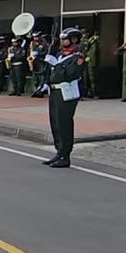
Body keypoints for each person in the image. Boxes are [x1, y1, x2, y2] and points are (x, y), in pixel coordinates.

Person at [44, 28, 85, 169]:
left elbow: (70, 74)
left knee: (64, 123)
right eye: (61, 39)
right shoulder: (60, 54)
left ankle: (65, 155)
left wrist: (56, 64)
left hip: (67, 93)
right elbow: (51, 73)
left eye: (64, 39)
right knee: (54, 122)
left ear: (73, 39)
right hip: (55, 91)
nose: (62, 42)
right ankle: (59, 151)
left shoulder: (77, 56)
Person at [29, 32, 49, 98]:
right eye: (34, 37)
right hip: (34, 62)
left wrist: (39, 53)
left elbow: (46, 52)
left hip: (41, 62)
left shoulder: (44, 43)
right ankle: (37, 89)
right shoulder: (32, 43)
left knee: (41, 77)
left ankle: (41, 91)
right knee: (35, 77)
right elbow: (29, 52)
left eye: (37, 37)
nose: (35, 38)